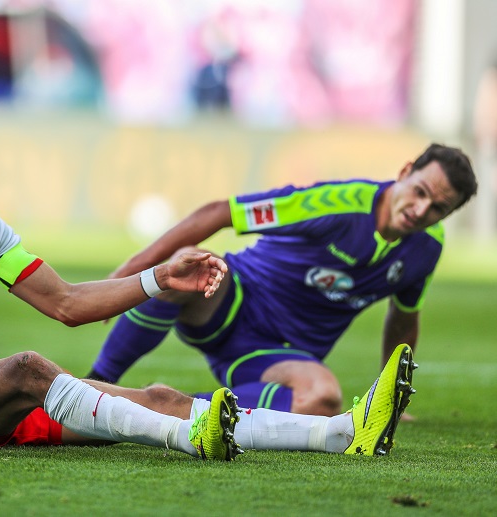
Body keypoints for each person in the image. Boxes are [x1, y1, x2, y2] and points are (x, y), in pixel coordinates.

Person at [0, 67, 412, 462]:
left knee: (161, 394)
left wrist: (156, 280)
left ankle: (338, 434)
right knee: (26, 368)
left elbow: (66, 303)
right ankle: (190, 441)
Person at [87, 143, 477, 418]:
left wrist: (389, 396)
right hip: (229, 301)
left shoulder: (426, 249)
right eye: (420, 192)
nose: (421, 209)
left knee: (323, 398)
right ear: (405, 172)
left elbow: (404, 317)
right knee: (186, 266)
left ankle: (155, 406)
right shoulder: (338, 203)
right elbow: (222, 212)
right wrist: (131, 269)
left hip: (274, 357)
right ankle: (91, 386)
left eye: (438, 208)